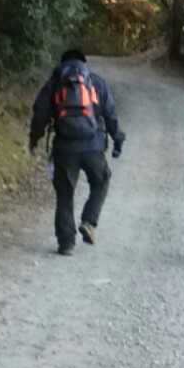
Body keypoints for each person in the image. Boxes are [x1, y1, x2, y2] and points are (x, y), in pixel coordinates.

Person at [28, 48, 124, 255]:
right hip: (93, 146)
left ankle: (66, 243)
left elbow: (40, 113)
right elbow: (110, 114)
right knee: (101, 180)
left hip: (64, 148)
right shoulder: (96, 82)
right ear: (84, 62)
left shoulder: (54, 83)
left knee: (65, 194)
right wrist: (118, 139)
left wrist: (34, 139)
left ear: (62, 63)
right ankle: (89, 221)